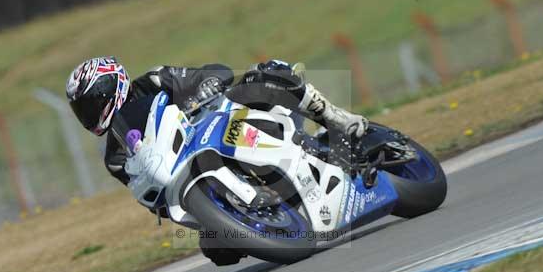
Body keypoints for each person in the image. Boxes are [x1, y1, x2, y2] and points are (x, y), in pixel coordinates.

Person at [66, 57, 369, 186]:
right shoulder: (115, 157)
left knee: (265, 72)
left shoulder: (158, 80)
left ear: (112, 87)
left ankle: (334, 117)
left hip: (233, 122)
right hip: (203, 176)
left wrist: (206, 87)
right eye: (83, 110)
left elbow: (216, 72)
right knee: (217, 248)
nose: (89, 115)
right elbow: (149, 195)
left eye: (91, 104)